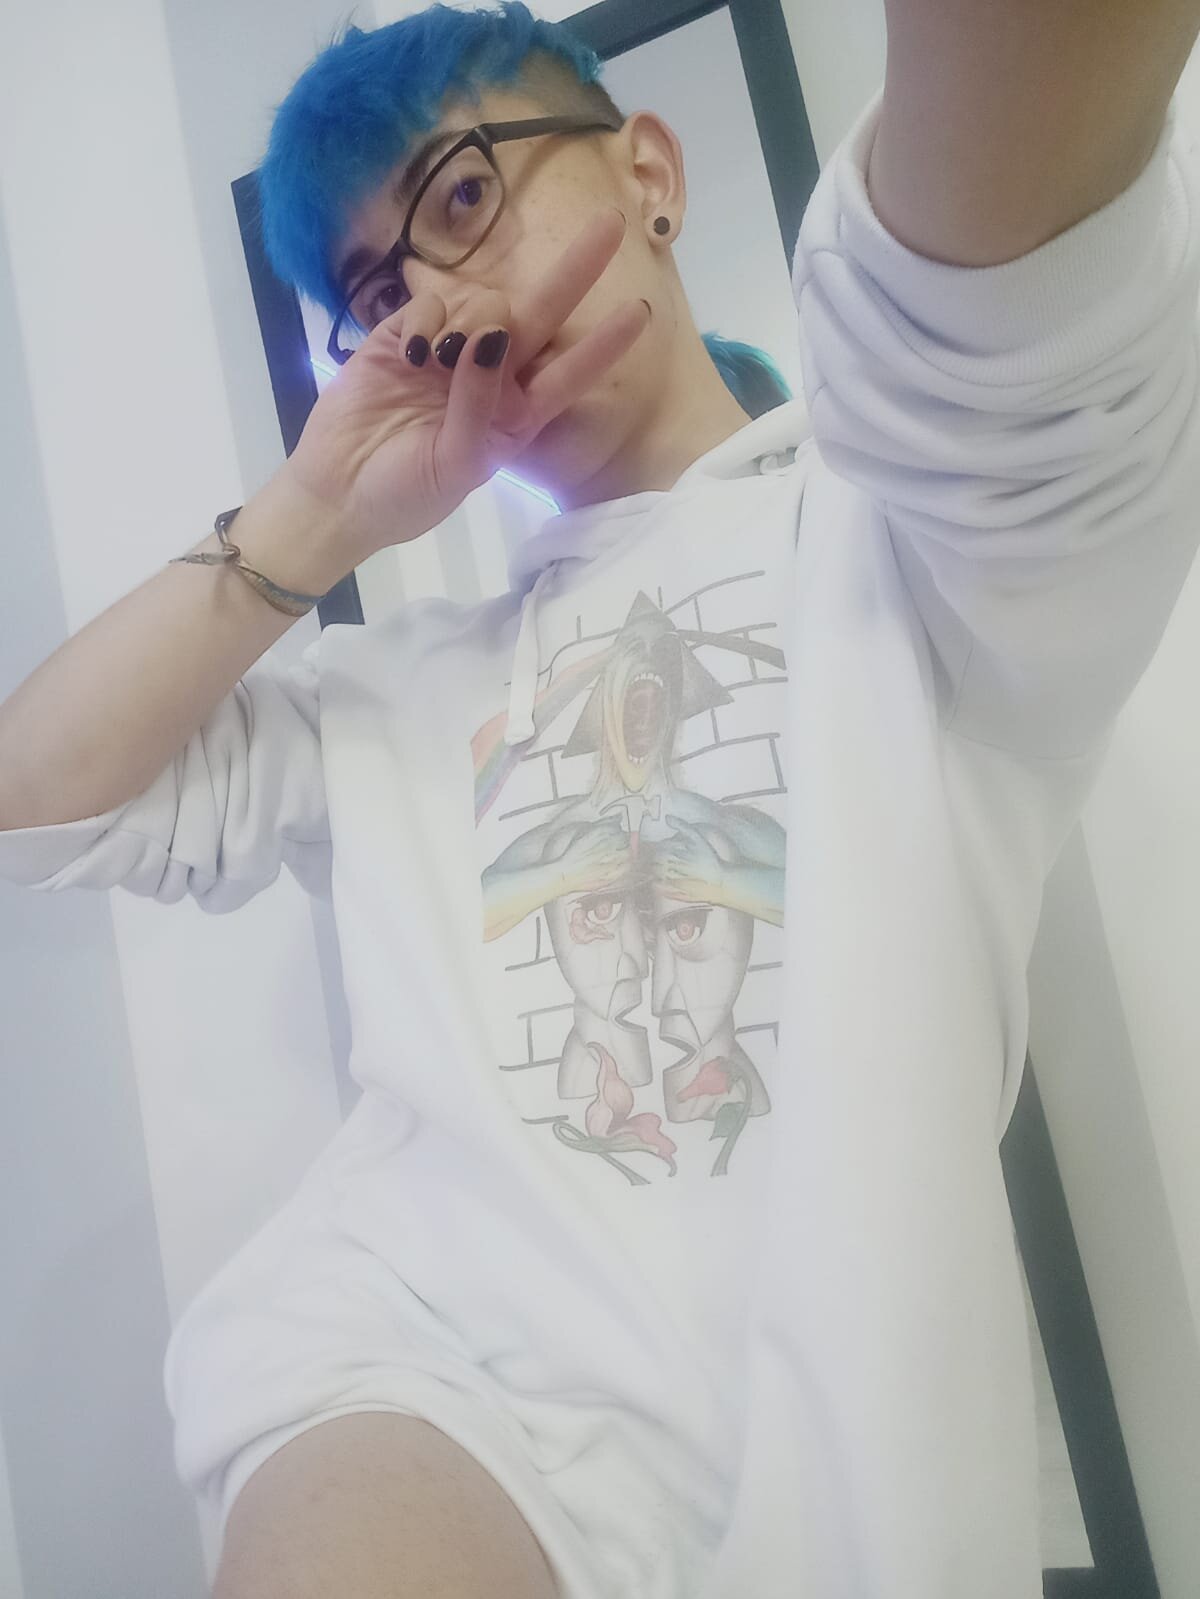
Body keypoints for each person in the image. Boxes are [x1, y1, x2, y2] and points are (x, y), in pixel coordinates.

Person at [2, 3, 1199, 1595]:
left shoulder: (904, 538)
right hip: (402, 1371)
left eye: (464, 196)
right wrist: (314, 512)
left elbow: (1001, 263)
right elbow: (38, 803)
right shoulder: (394, 683)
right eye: (380, 295)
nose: (439, 302)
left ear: (650, 172)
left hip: (839, 1482)